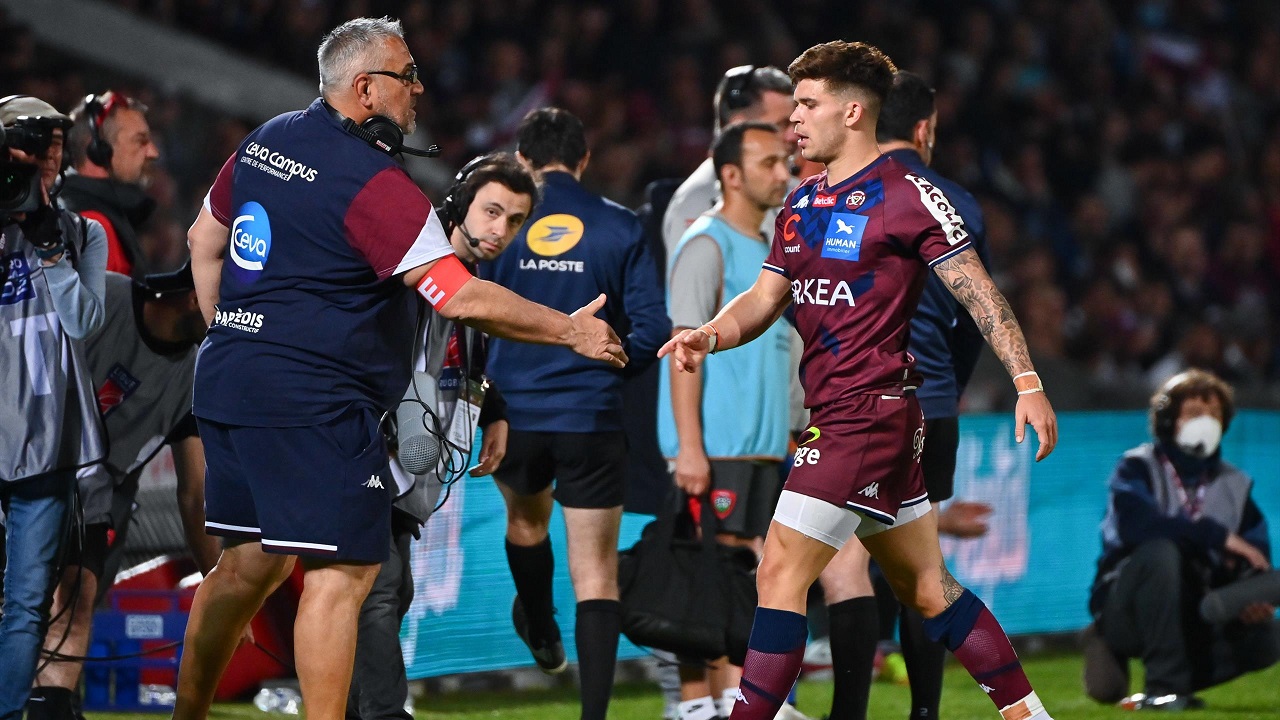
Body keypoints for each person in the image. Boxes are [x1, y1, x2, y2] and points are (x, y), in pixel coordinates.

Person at [173, 18, 626, 720]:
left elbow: (204, 238)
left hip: (229, 381)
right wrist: (570, 329)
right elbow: (460, 296)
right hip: (316, 401)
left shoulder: (267, 140)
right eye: (406, 75)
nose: (418, 88)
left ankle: (187, 716)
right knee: (344, 574)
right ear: (365, 89)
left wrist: (229, 334)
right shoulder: (375, 183)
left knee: (248, 564)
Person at [659, 41, 1059, 720]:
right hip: (860, 418)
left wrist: (1027, 381)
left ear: (851, 112)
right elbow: (765, 297)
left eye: (807, 105)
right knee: (928, 588)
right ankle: (1030, 715)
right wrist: (711, 334)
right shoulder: (802, 201)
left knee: (778, 571)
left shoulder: (908, 196)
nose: (794, 120)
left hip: (863, 416)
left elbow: (980, 294)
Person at [816, 70, 994, 720]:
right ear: (923, 129)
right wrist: (946, 389)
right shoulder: (956, 203)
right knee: (920, 566)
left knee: (843, 560)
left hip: (846, 400)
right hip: (931, 401)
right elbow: (976, 318)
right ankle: (925, 712)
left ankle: (846, 711)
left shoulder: (831, 194)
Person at [483, 106, 670, 720]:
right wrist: (612, 371)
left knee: (527, 525)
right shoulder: (619, 225)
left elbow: (469, 311)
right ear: (584, 159)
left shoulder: (500, 223)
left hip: (514, 413)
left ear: (521, 160)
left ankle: (539, 623)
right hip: (591, 416)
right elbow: (652, 328)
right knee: (596, 577)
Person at [346, 152, 537, 720]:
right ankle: (384, 712)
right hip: (360, 450)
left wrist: (494, 410)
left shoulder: (472, 283)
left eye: (515, 220)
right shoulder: (408, 269)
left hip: (408, 466)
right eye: (492, 211)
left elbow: (461, 360)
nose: (500, 229)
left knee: (391, 590)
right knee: (380, 589)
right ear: (459, 204)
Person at [26, 259, 213, 720]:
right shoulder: (105, 297)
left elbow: (194, 495)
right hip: (29, 467)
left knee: (77, 601)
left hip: (96, 494)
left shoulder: (196, 377)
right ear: (195, 296)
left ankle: (53, 709)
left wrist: (220, 587)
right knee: (21, 601)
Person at [657, 121, 793, 720]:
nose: (783, 174)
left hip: (758, 446)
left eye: (784, 162)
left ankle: (727, 701)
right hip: (716, 446)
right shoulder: (705, 243)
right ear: (731, 175)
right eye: (769, 163)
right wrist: (689, 447)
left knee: (738, 574)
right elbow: (682, 352)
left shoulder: (768, 246)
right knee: (706, 572)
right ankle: (695, 704)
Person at [1, 94, 107, 720]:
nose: (45, 157)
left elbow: (84, 321)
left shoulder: (82, 232)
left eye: (55, 145)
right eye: (30, 144)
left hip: (46, 439)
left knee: (26, 603)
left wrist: (49, 251)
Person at [1084, 369, 1278, 711]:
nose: (1206, 422)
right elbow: (1137, 527)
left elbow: (1255, 556)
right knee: (1161, 552)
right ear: (1168, 420)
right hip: (1129, 607)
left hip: (1194, 613)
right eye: (1194, 413)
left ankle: (1178, 677)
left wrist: (1251, 600)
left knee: (1268, 638)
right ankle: (1163, 688)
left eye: (1214, 414)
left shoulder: (1235, 484)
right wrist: (1218, 537)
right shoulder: (1136, 467)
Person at [663, 65, 797, 259]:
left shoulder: (796, 189)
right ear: (739, 127)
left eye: (795, 123)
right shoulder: (696, 202)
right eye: (782, 125)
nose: (793, 136)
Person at [62, 91, 160, 278]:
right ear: (98, 149)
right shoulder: (94, 225)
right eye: (140, 140)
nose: (153, 152)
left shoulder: (99, 212)